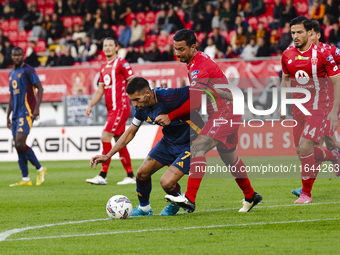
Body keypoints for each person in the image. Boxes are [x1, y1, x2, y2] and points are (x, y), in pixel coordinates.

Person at [157, 29, 262, 213]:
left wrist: (171, 116)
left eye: (181, 49)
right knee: (229, 156)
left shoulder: (199, 66)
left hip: (226, 111)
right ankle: (250, 195)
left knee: (198, 147)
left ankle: (189, 198)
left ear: (193, 47)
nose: (177, 53)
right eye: (175, 49)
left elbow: (196, 101)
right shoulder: (193, 61)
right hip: (223, 111)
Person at [90, 77, 204, 216]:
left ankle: (177, 203)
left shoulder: (169, 96)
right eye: (132, 100)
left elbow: (200, 92)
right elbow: (131, 131)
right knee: (142, 174)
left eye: (136, 99)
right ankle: (145, 208)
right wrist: (108, 155)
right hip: (168, 142)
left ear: (148, 94)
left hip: (191, 143)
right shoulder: (141, 109)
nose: (134, 104)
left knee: (166, 183)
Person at [280, 16, 340, 204]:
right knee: (301, 150)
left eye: (299, 32)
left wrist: (333, 111)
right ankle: (334, 155)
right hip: (299, 108)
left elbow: (337, 81)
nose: (296, 36)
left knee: (308, 145)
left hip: (321, 105)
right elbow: (285, 79)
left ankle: (306, 193)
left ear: (311, 33)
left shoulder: (326, 52)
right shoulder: (287, 55)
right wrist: (283, 103)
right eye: (293, 33)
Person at [85, 38, 135, 185]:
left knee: (105, 136)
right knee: (119, 142)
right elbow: (100, 89)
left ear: (116, 48)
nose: (107, 48)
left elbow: (132, 81)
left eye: (110, 45)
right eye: (105, 45)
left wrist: (135, 100)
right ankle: (131, 176)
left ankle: (103, 175)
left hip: (120, 107)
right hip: (111, 109)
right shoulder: (103, 66)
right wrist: (91, 105)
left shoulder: (122, 63)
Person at [6, 47, 47, 187]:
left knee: (20, 143)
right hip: (15, 114)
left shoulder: (28, 69)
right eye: (14, 55)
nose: (16, 57)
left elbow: (40, 88)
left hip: (27, 112)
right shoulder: (11, 74)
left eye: (19, 55)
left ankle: (40, 169)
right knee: (18, 147)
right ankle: (25, 179)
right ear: (11, 57)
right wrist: (7, 115)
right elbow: (12, 96)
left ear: (23, 56)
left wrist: (37, 108)